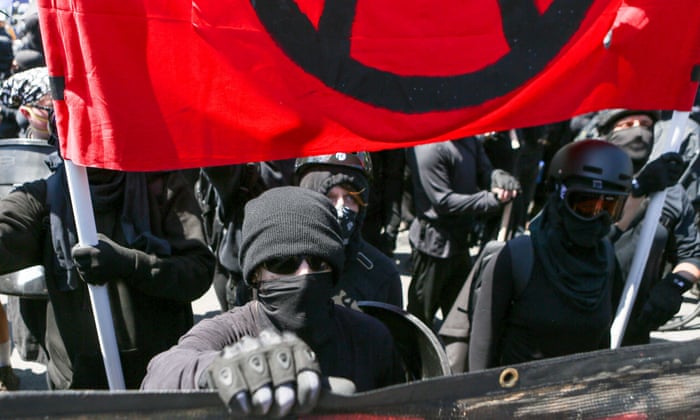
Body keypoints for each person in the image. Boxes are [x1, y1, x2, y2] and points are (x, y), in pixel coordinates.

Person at [141, 187, 405, 417]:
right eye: (284, 263)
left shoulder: (370, 337)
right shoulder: (229, 332)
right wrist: (221, 369)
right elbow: (162, 372)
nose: (304, 274)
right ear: (256, 274)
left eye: (318, 261)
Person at [0, 158, 215, 389]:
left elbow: (198, 271)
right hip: (76, 384)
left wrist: (131, 264)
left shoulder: (162, 184)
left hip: (158, 379)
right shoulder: (45, 196)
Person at [468, 139, 632, 370]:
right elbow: (482, 347)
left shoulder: (605, 259)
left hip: (580, 389)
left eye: (609, 208)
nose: (597, 218)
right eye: (585, 205)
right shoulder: (518, 257)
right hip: (520, 389)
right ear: (558, 194)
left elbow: (601, 342)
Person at [596, 109, 700, 345]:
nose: (638, 132)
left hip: (634, 324)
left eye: (645, 124)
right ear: (608, 133)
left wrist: (675, 285)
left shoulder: (671, 193)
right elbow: (595, 235)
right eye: (627, 125)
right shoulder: (589, 181)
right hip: (583, 317)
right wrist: (638, 189)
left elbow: (691, 255)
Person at [405, 138, 520, 328]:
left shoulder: (468, 139)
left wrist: (499, 178)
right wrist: (490, 200)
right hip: (434, 246)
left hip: (459, 244)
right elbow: (443, 202)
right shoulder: (430, 147)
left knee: (461, 315)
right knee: (419, 318)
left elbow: (485, 171)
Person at [295, 152, 403, 309]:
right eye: (329, 197)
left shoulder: (381, 273)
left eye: (350, 198)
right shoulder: (280, 266)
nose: (341, 208)